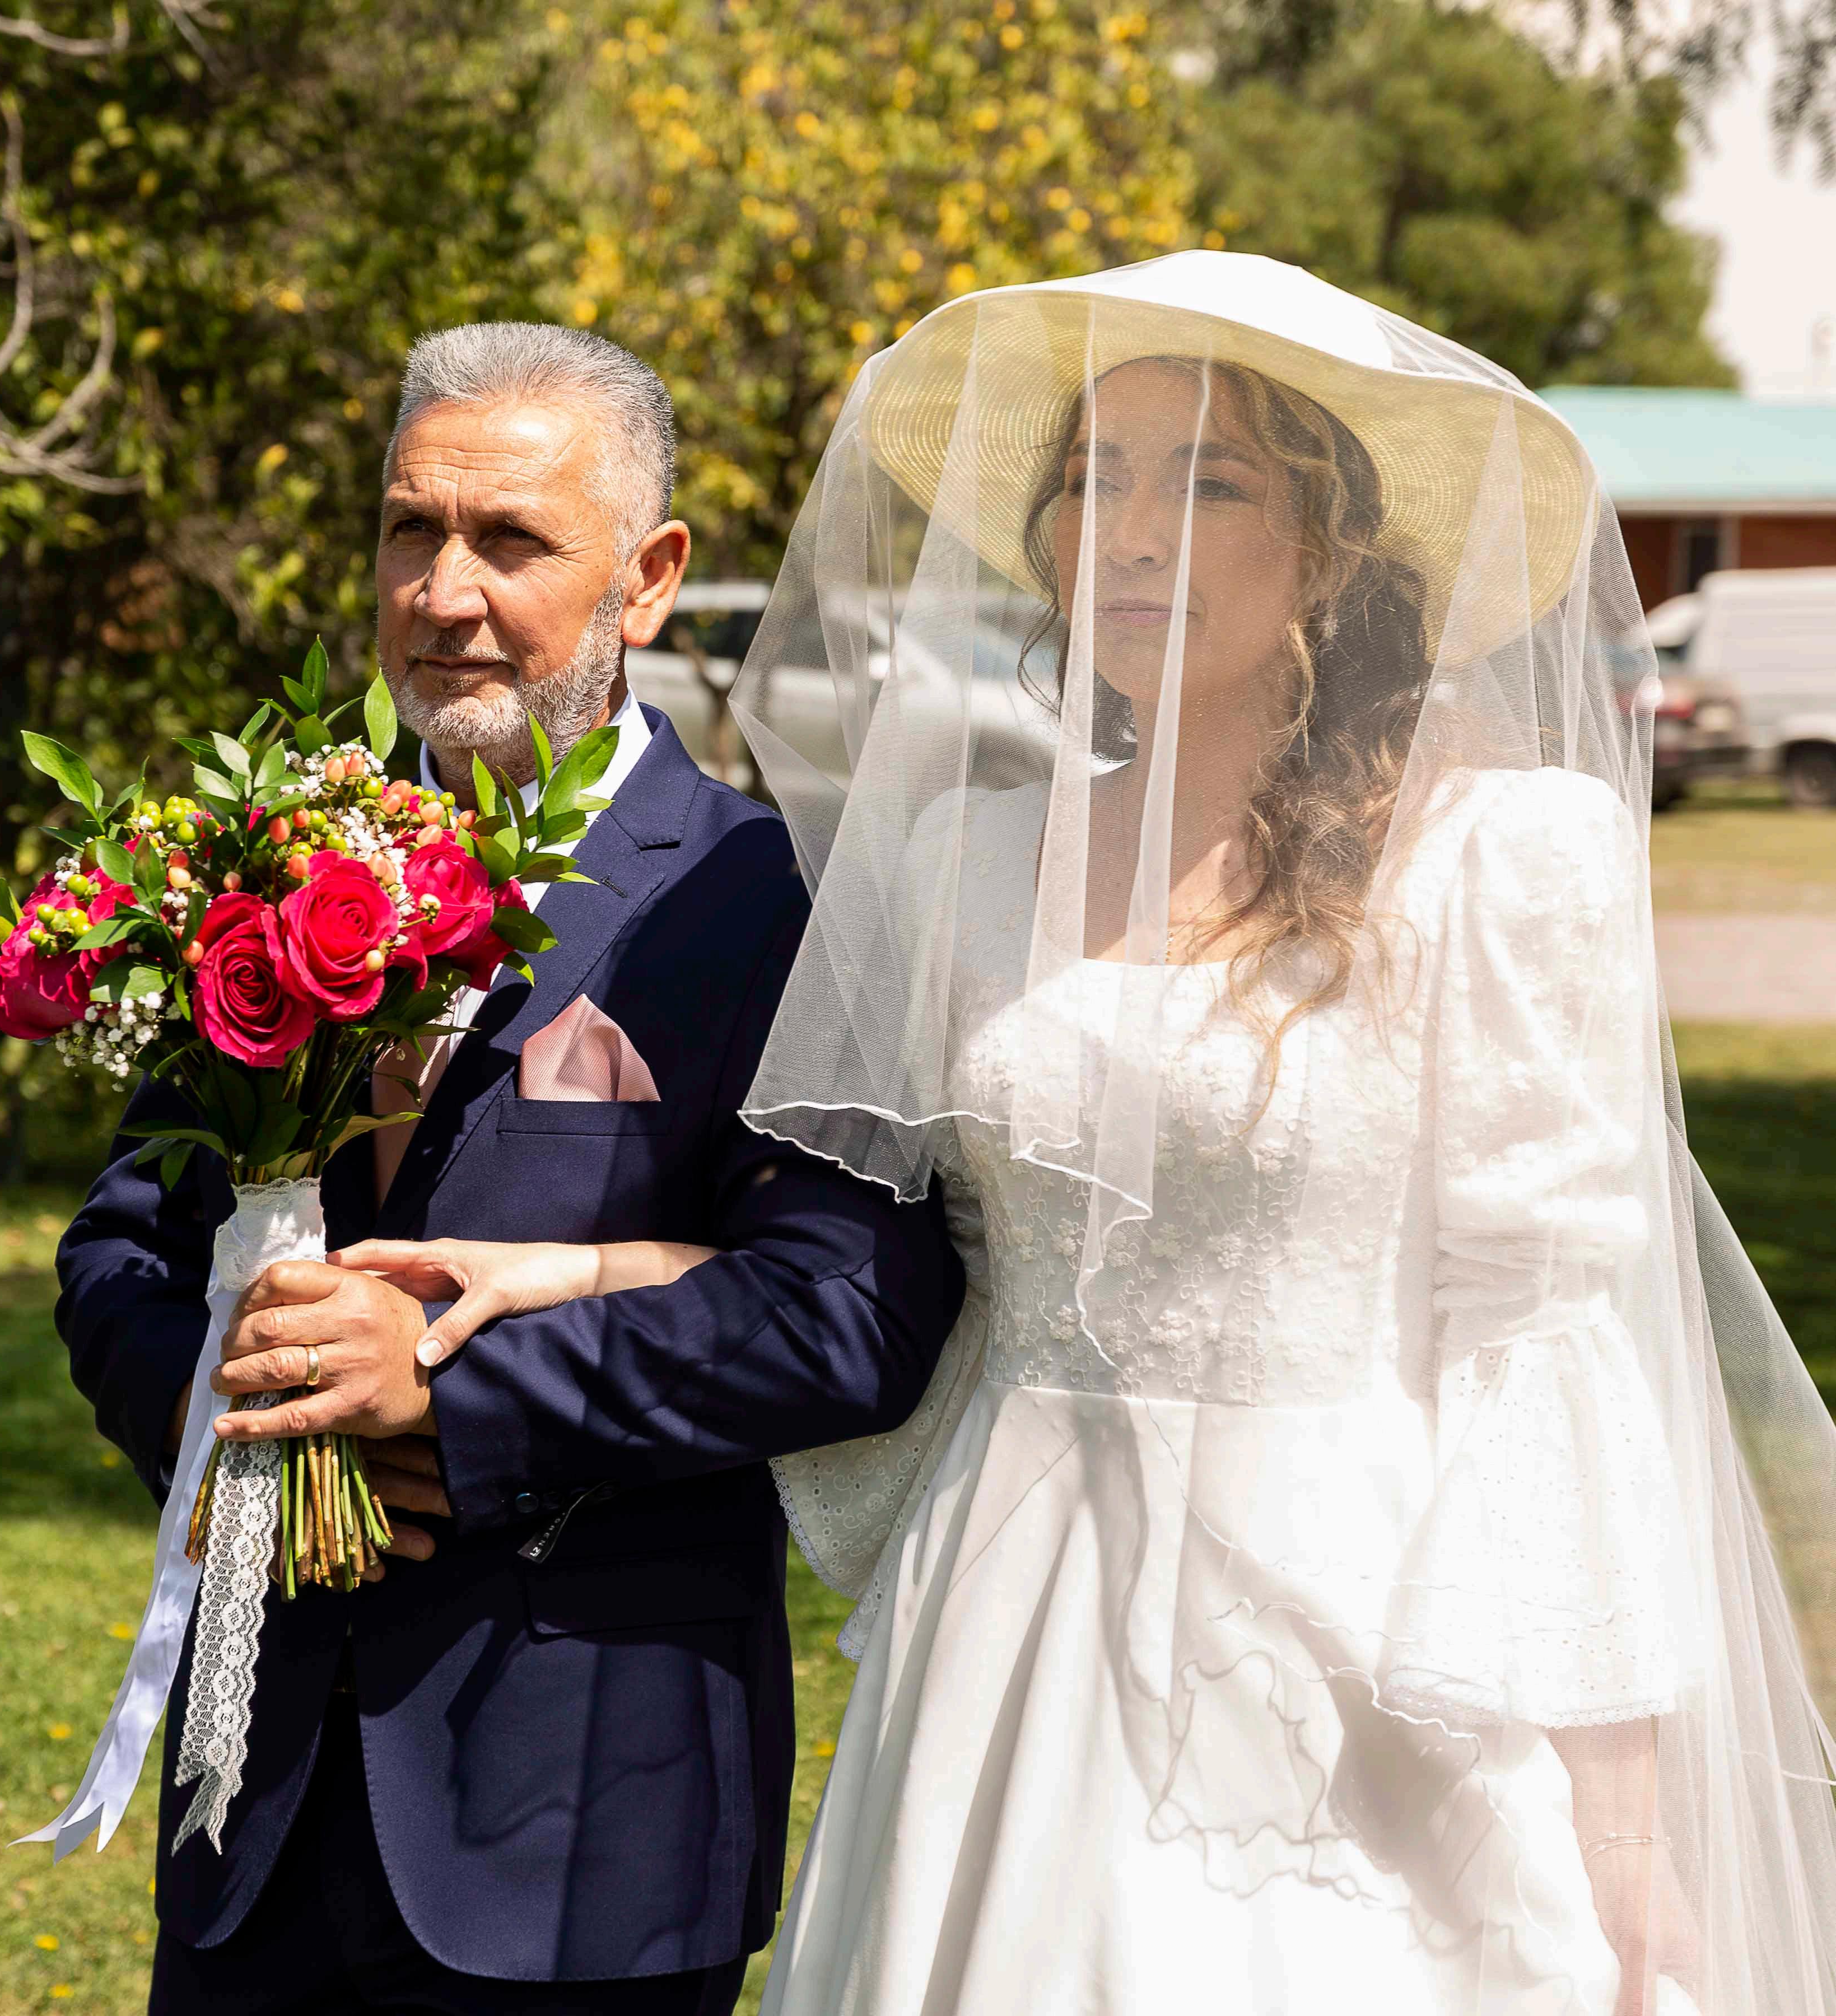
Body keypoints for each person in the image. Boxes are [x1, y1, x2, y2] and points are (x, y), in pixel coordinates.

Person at [717, 253, 1836, 2014]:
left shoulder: (1495, 858)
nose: (1129, 533)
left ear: (1328, 550)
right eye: (1093, 478)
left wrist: (1629, 1848)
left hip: (1359, 1638)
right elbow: (897, 1266)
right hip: (1011, 1622)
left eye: (1209, 482)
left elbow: (1542, 1342)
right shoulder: (961, 862)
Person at [54, 321, 963, 2015]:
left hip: (582, 1824)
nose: (443, 591)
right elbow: (121, 1243)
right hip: (254, 1816)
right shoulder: (263, 868)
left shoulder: (769, 902)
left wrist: (450, 1404)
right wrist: (213, 1415)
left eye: (510, 539)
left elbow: (851, 1312)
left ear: (647, 579)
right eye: (411, 530)